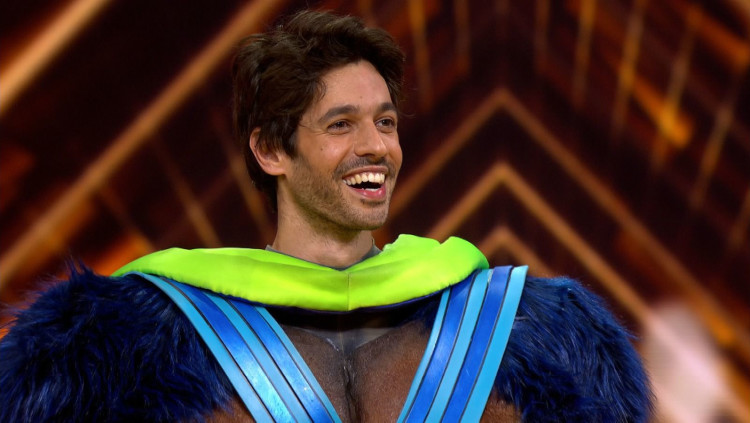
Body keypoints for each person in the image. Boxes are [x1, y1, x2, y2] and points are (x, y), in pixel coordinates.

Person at [0, 10, 652, 422]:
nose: (376, 147)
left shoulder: (534, 330)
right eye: (341, 124)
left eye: (385, 122)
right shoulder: (123, 344)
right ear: (270, 150)